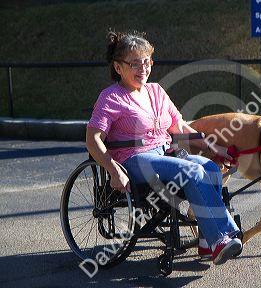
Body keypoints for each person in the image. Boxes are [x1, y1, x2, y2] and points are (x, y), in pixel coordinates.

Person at [86, 31, 242, 265]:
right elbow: (93, 139)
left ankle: (206, 241)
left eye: (147, 61)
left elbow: (179, 126)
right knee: (192, 172)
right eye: (135, 63)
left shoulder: (156, 91)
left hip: (163, 153)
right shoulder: (111, 98)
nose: (143, 68)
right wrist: (112, 169)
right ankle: (221, 237)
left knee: (209, 167)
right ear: (118, 68)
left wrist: (214, 148)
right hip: (133, 160)